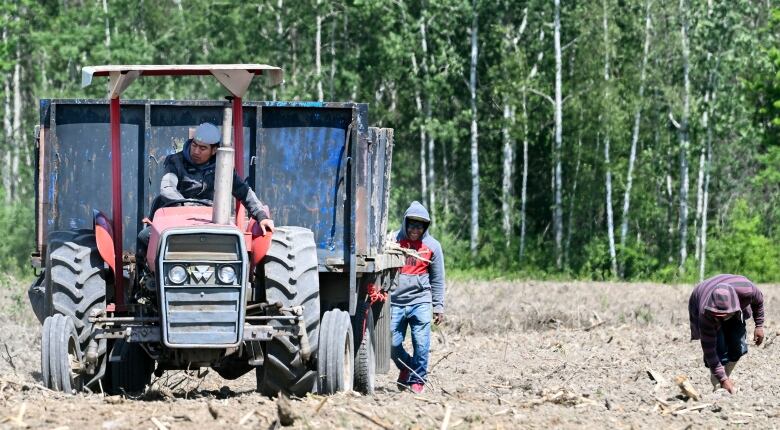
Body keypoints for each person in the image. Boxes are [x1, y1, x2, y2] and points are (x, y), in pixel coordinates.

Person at [137, 122, 274, 260]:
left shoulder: (222, 168)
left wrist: (261, 216)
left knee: (235, 247)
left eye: (202, 148)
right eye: (194, 145)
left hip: (209, 220)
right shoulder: (175, 161)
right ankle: (144, 277)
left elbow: (243, 190)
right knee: (144, 237)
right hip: (176, 218)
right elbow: (167, 189)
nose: (196, 151)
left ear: (214, 150)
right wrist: (188, 208)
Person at [391, 201, 445, 394]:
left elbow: (438, 279)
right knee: (392, 343)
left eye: (420, 226)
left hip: (420, 301)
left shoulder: (432, 246)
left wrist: (438, 306)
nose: (415, 229)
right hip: (395, 301)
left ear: (426, 227)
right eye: (412, 224)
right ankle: (407, 367)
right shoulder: (392, 241)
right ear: (405, 223)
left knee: (421, 343)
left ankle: (418, 379)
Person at [688, 274, 765, 394]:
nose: (721, 319)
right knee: (719, 348)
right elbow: (710, 350)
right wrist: (722, 379)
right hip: (702, 294)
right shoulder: (706, 314)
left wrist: (759, 325)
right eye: (718, 316)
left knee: (738, 347)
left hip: (734, 306)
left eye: (724, 316)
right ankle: (718, 383)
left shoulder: (747, 290)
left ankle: (725, 378)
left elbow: (759, 301)